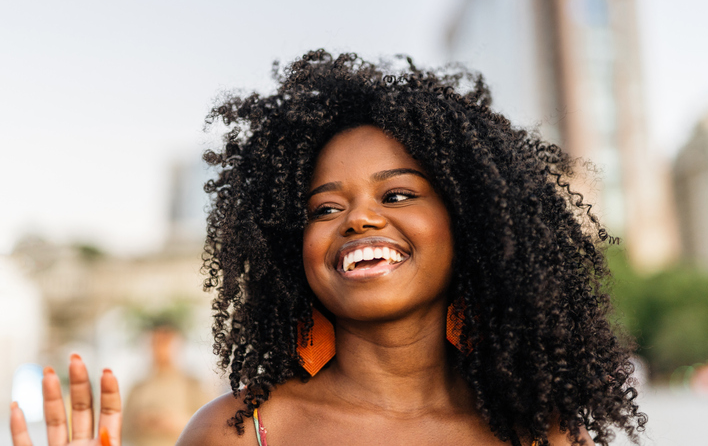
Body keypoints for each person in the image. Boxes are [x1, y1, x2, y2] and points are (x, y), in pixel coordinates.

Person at [10, 50, 646, 446]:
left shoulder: (544, 434)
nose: (360, 219)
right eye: (325, 208)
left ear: (469, 226)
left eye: (397, 196)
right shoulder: (237, 434)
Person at [123, 325, 212, 446]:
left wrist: (176, 422)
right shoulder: (138, 387)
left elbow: (209, 425)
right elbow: (124, 429)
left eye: (165, 342)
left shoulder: (192, 384)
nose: (159, 348)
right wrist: (141, 421)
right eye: (155, 342)